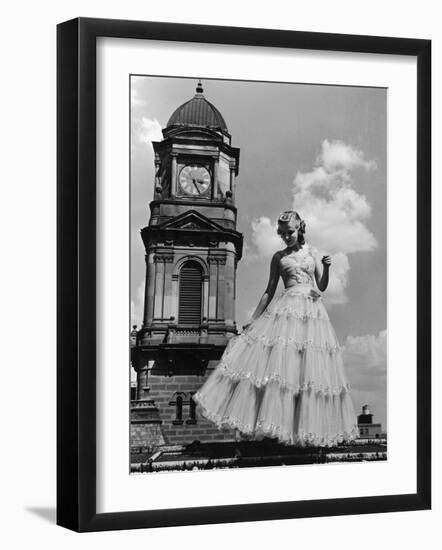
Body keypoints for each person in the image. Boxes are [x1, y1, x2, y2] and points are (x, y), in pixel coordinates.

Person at [192, 210, 359, 447]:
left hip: (312, 314)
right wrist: (253, 319)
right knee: (284, 372)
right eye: (282, 234)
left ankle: (305, 433)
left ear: (300, 228)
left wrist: (327, 268)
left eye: (289, 232)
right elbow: (269, 290)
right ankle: (281, 431)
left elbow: (320, 286)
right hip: (286, 311)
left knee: (309, 373)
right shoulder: (278, 257)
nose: (286, 237)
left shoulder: (311, 252)